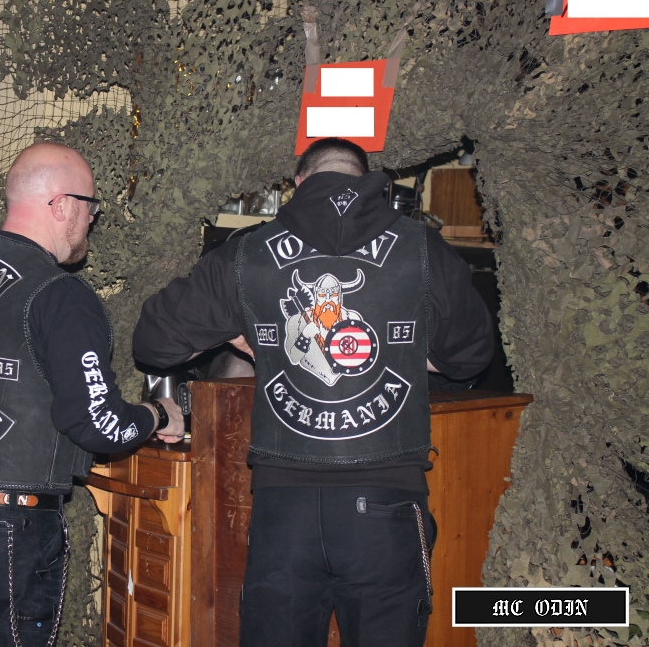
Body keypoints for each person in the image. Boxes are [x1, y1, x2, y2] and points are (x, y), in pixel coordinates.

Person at [132, 137, 494, 647]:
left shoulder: (249, 252)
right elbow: (472, 356)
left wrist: (243, 331)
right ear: (370, 183)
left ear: (299, 183)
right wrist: (406, 350)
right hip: (387, 503)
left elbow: (153, 341)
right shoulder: (421, 247)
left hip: (284, 507)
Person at [0, 142, 186, 647]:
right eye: (90, 205)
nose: (93, 219)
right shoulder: (59, 294)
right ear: (61, 205)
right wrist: (159, 413)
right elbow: (99, 424)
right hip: (10, 525)